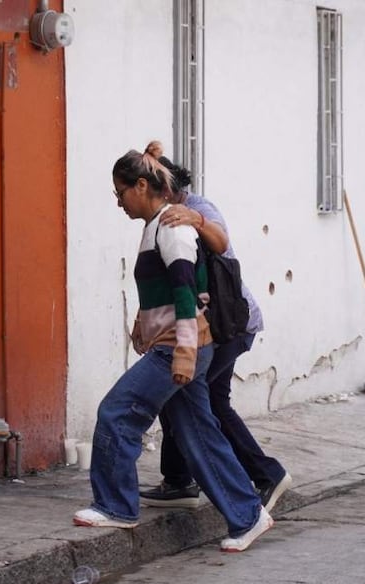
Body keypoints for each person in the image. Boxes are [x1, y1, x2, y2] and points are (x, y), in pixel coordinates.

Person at [72, 145, 273, 553]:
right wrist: (142, 324)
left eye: (120, 193)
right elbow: (163, 290)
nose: (118, 203)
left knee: (118, 411)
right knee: (196, 432)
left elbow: (186, 293)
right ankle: (248, 514)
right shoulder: (157, 225)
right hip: (183, 345)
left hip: (179, 348)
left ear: (142, 185)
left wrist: (182, 352)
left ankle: (115, 505)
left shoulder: (173, 227)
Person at [140, 143, 293, 514]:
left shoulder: (198, 207)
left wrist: (196, 220)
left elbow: (222, 242)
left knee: (200, 399)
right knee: (184, 393)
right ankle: (179, 481)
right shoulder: (160, 215)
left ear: (170, 186)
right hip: (210, 324)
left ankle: (266, 475)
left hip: (228, 324)